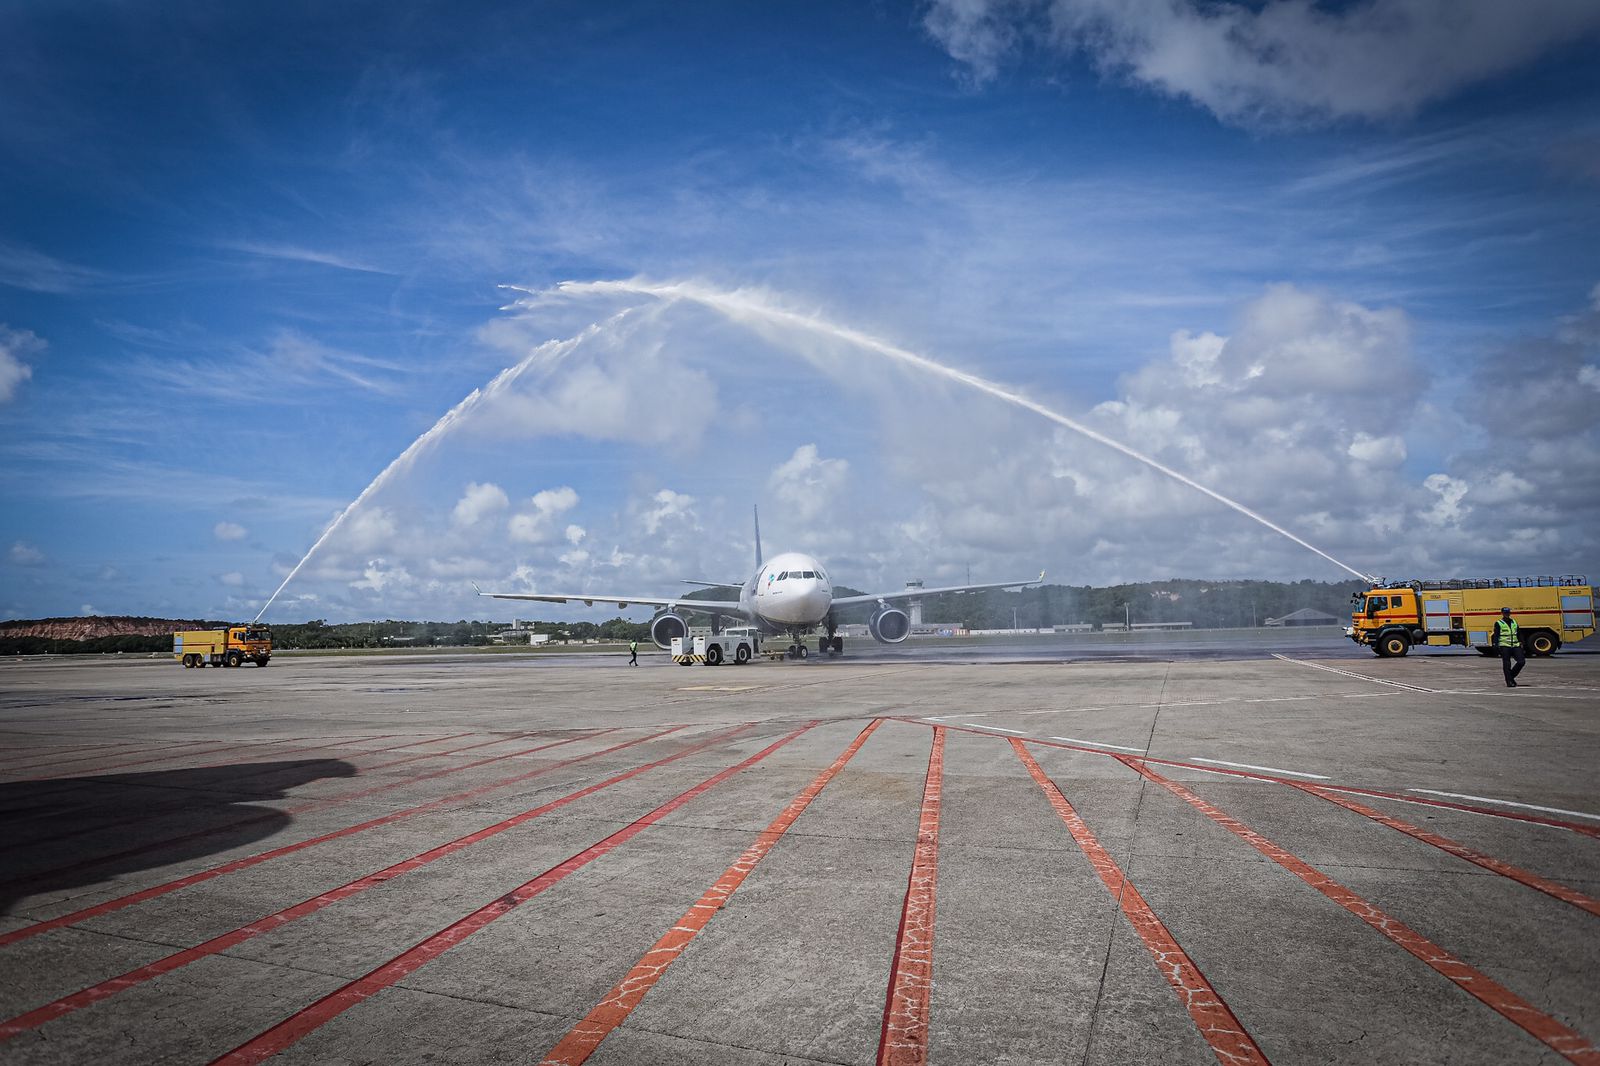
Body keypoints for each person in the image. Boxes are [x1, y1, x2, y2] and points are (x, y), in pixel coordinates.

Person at [1491, 606, 1524, 688]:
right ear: (1502, 613)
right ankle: (1509, 681)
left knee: (1521, 662)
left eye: (1508, 612)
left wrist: (1522, 642)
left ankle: (1511, 676)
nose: (1507, 614)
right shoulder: (1499, 623)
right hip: (1504, 645)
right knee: (1507, 664)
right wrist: (1495, 644)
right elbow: (1496, 635)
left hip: (1515, 645)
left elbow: (1518, 633)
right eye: (1505, 613)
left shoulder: (1514, 622)